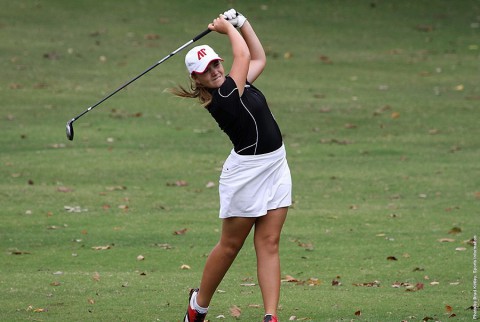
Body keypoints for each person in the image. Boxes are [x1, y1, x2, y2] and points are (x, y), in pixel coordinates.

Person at [171, 9, 292, 322]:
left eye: (215, 62)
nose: (213, 70)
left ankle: (270, 316)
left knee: (269, 242)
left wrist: (242, 23)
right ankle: (197, 307)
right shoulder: (223, 96)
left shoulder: (235, 82)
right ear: (196, 78)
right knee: (230, 246)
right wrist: (227, 29)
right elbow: (241, 53)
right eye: (205, 69)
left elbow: (258, 58)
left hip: (276, 165)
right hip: (246, 175)